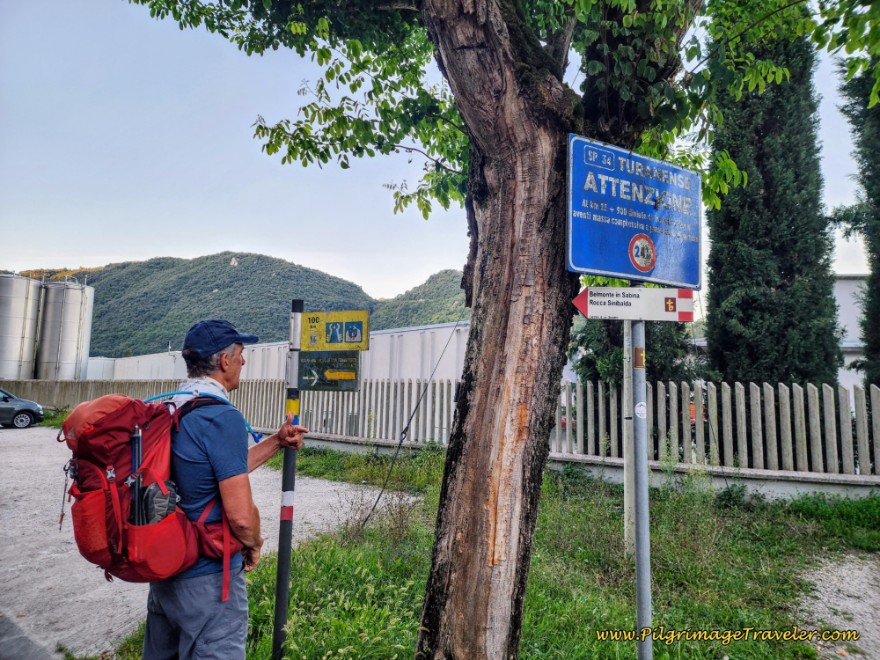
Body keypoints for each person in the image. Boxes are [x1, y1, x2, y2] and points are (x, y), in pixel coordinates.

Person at [142, 319, 308, 660]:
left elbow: (213, 469)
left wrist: (277, 441)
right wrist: (254, 544)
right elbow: (241, 517)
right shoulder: (220, 416)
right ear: (224, 360)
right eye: (241, 354)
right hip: (209, 580)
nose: (243, 361)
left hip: (167, 572)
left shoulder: (174, 406)